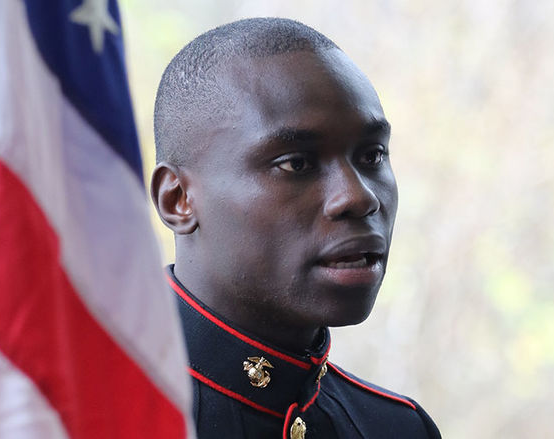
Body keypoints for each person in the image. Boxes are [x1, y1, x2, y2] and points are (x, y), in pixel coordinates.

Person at [151, 17, 440, 438]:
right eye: (297, 163)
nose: (359, 198)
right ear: (177, 199)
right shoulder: (69, 419)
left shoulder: (396, 427)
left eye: (372, 156)